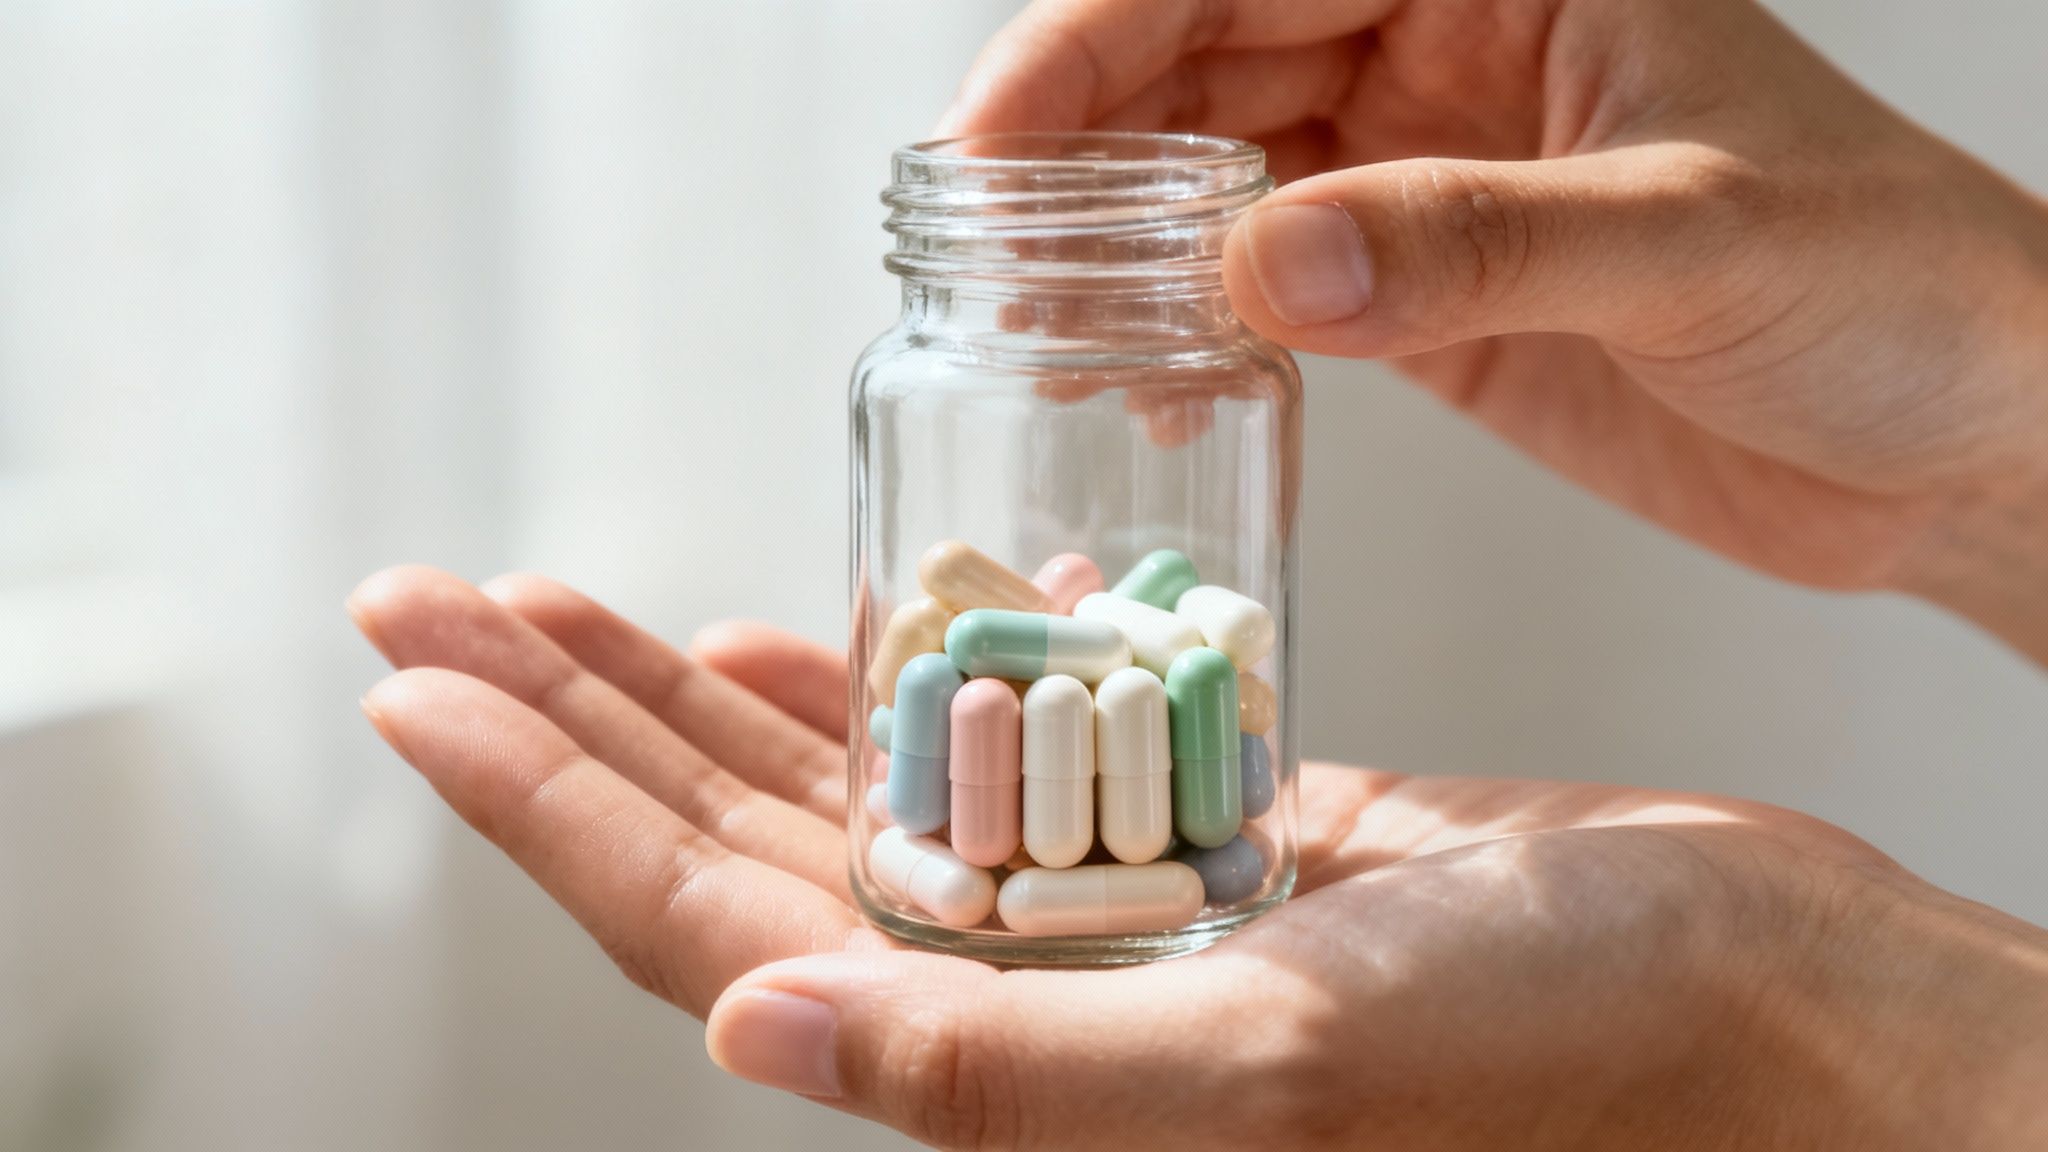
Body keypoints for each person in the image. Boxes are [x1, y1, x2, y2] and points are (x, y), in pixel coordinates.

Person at [350, 0, 2048, 1146]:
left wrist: (1793, 1011)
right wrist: (1996, 475)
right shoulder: (923, 387)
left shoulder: (1225, 389)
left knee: (1089, 662)